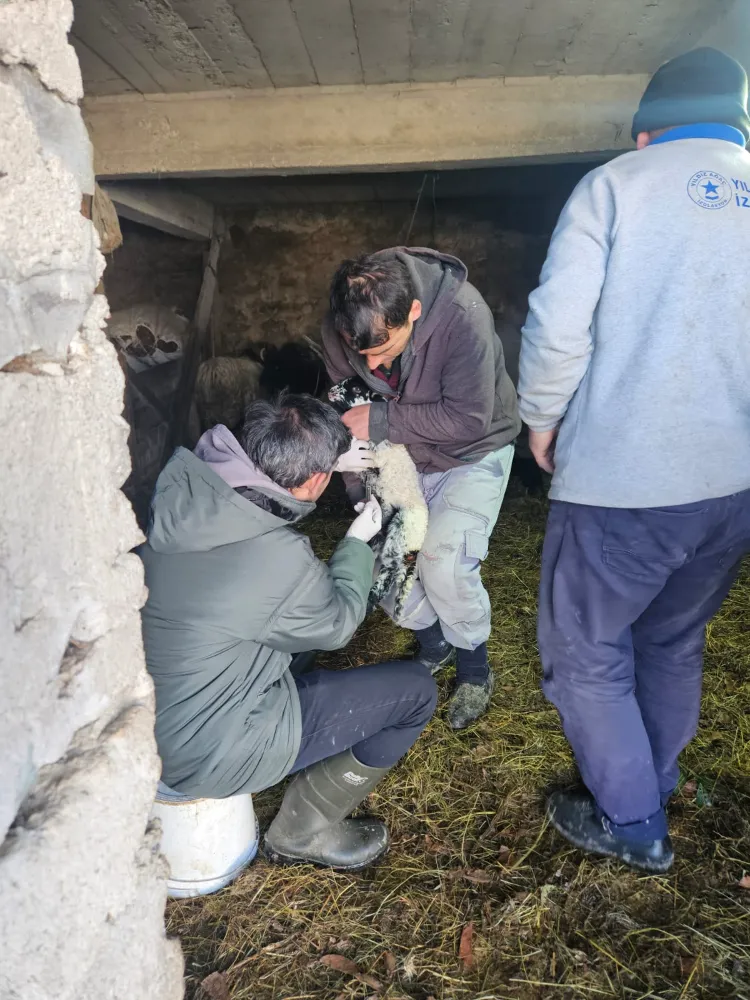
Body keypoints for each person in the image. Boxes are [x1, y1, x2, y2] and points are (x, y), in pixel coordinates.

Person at [518, 47, 750, 872]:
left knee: (584, 653)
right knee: (674, 641)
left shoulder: (616, 186)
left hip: (624, 482)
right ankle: (654, 775)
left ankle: (634, 825)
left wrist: (541, 421)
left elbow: (556, 326)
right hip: (731, 486)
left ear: (647, 133)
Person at [138, 393, 437, 870]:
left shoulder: (183, 498)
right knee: (416, 692)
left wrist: (324, 457)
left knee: (293, 647)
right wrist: (356, 545)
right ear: (315, 479)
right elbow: (338, 623)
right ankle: (305, 831)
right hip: (207, 754)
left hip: (150, 722)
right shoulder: (278, 559)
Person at [322, 248, 520, 729]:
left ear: (412, 311)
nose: (370, 359)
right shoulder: (341, 328)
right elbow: (345, 411)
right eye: (359, 348)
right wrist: (359, 490)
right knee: (388, 561)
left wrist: (383, 419)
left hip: (470, 453)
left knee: (443, 562)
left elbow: (468, 418)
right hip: (397, 460)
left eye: (382, 345)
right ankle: (436, 645)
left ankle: (475, 667)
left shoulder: (462, 315)